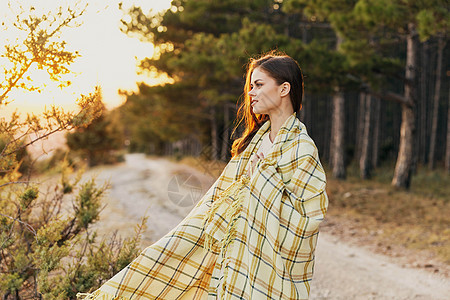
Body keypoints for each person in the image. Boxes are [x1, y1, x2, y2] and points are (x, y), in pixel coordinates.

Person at [78, 51, 328, 299]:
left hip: (266, 261)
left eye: (259, 85)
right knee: (163, 260)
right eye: (250, 86)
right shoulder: (255, 142)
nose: (250, 93)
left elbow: (309, 217)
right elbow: (221, 198)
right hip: (235, 252)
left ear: (284, 89)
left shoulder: (301, 149)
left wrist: (264, 181)